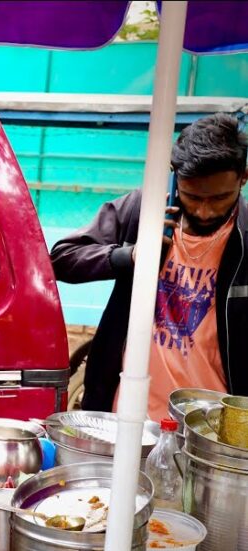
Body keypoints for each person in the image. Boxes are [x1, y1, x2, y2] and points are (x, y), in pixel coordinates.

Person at [51, 113, 247, 419]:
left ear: (243, 179)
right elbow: (62, 259)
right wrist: (129, 256)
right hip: (126, 419)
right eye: (193, 196)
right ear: (174, 176)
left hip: (213, 432)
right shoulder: (142, 212)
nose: (205, 210)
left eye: (221, 198)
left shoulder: (245, 239)